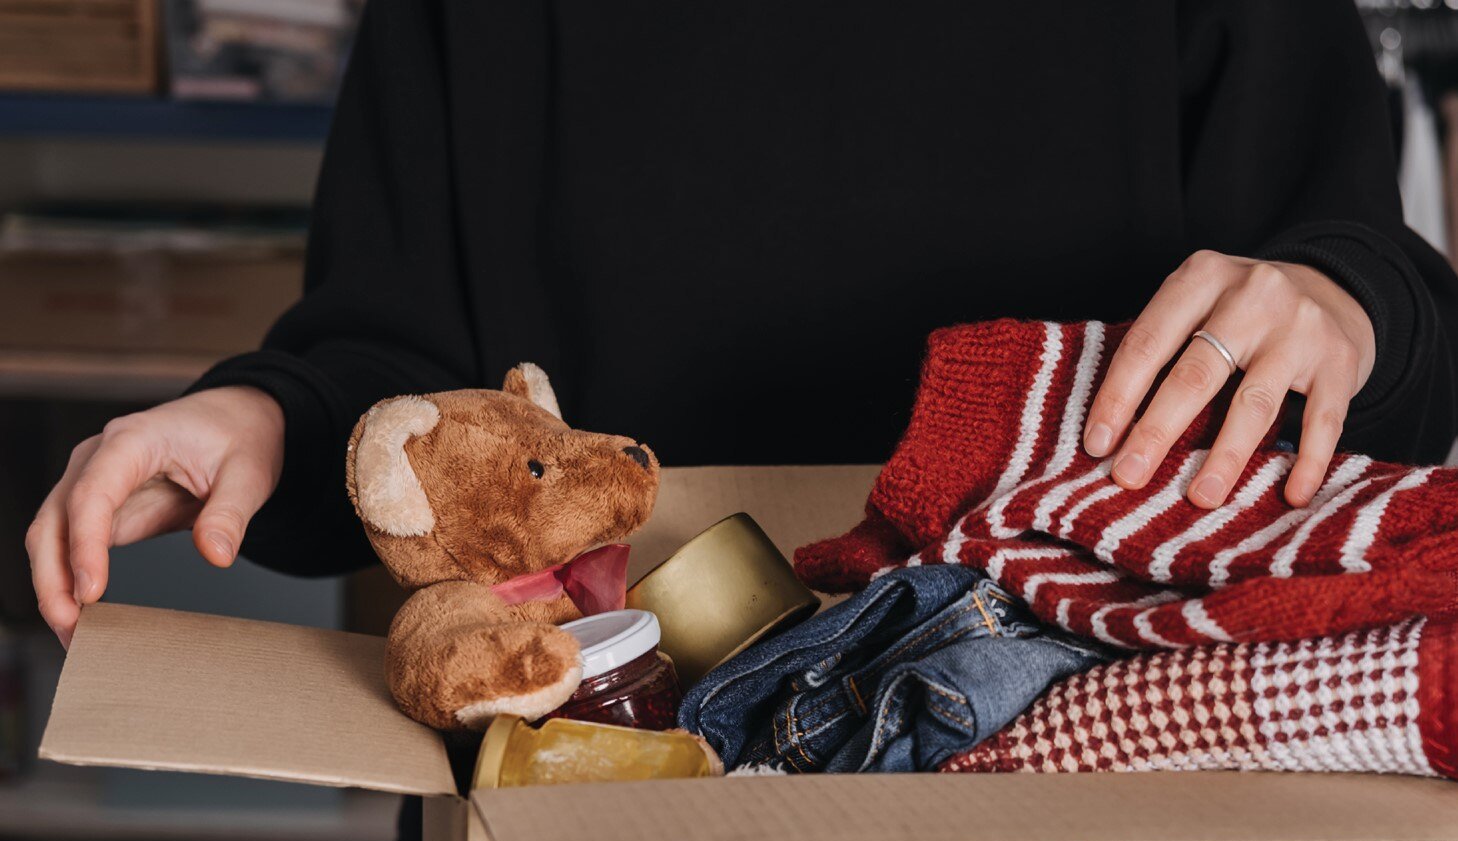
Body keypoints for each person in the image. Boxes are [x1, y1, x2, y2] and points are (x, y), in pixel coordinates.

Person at [26, 0, 1458, 647]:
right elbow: (401, 373)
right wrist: (263, 417)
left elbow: (1381, 340)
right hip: (597, 774)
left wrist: (1342, 306)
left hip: (1077, 764)